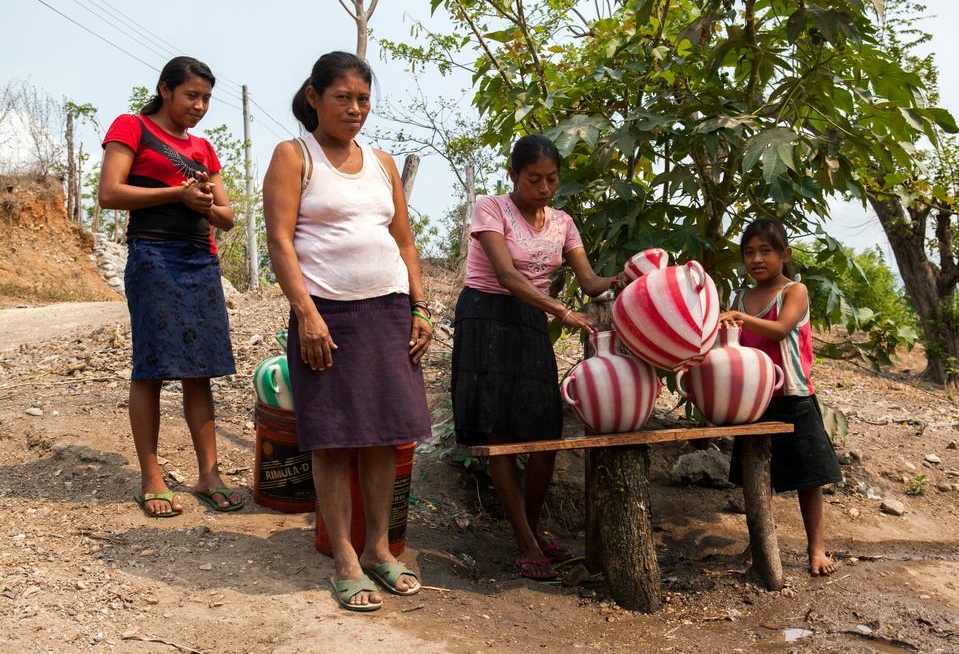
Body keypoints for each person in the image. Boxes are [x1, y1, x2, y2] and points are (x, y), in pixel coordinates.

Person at [262, 52, 432, 612]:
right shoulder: (294, 156)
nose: (355, 109)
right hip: (327, 317)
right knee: (333, 438)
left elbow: (404, 242)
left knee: (385, 434)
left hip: (388, 313)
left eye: (362, 99)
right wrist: (306, 313)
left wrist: (421, 307)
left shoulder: (382, 163)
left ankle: (380, 550)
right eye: (343, 97)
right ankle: (344, 558)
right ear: (314, 96)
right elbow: (281, 242)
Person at [451, 134, 622, 581]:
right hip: (487, 318)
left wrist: (629, 276)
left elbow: (589, 281)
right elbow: (507, 275)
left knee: (544, 430)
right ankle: (527, 541)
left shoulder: (563, 222)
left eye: (551, 179)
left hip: (530, 323)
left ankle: (527, 529)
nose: (544, 188)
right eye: (534, 179)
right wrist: (562, 311)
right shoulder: (491, 208)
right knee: (501, 433)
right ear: (513, 174)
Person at [98, 56, 243, 518]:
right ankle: (151, 476)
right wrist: (175, 193)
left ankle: (209, 473)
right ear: (165, 89)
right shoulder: (132, 127)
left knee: (200, 368)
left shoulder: (203, 148)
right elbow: (110, 193)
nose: (199, 106)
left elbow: (228, 218)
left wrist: (202, 199)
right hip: (154, 257)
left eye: (205, 99)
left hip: (200, 261)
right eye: (191, 96)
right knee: (153, 366)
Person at [720, 218, 843, 577]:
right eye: (748, 252)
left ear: (785, 254)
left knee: (808, 478)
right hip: (752, 399)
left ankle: (816, 549)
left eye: (765, 251)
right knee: (758, 476)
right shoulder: (740, 297)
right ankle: (757, 543)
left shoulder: (794, 291)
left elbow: (781, 329)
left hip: (793, 396)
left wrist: (740, 318)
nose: (756, 259)